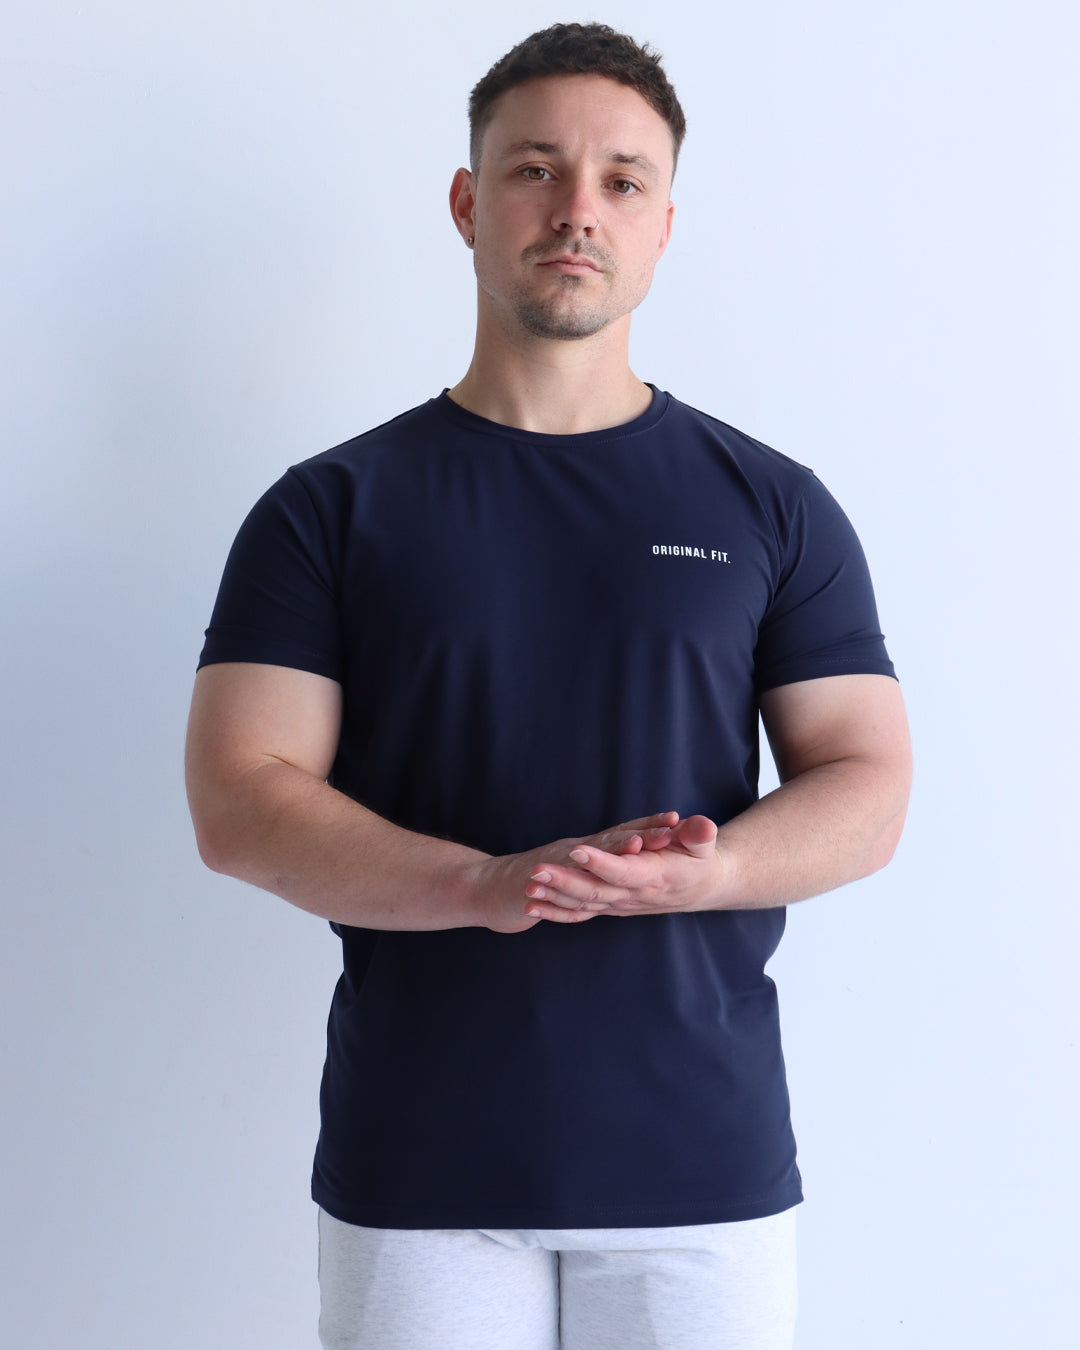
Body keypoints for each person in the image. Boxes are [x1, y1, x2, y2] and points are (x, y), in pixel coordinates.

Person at [185, 21, 912, 1350]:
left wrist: (711, 872)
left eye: (623, 180)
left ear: (663, 226)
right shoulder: (328, 509)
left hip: (701, 1162)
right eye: (536, 169)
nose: (579, 209)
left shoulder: (772, 503)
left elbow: (867, 784)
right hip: (421, 1163)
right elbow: (237, 799)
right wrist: (484, 883)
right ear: (469, 204)